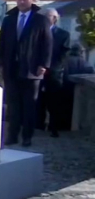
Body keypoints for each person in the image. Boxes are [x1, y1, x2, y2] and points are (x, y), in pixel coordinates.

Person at [0, 0, 52, 147]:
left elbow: (47, 44)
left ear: (32, 0)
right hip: (11, 69)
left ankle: (27, 136)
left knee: (29, 105)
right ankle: (12, 135)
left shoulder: (40, 20)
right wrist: (0, 62)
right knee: (13, 106)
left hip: (32, 70)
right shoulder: (9, 20)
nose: (21, 2)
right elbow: (2, 43)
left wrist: (44, 65)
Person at [36, 8, 71, 137]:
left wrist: (49, 67)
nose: (44, 18)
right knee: (38, 101)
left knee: (54, 102)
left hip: (55, 74)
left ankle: (53, 128)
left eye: (47, 16)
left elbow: (64, 55)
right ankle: (38, 126)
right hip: (38, 72)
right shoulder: (37, 33)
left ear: (54, 19)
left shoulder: (63, 35)